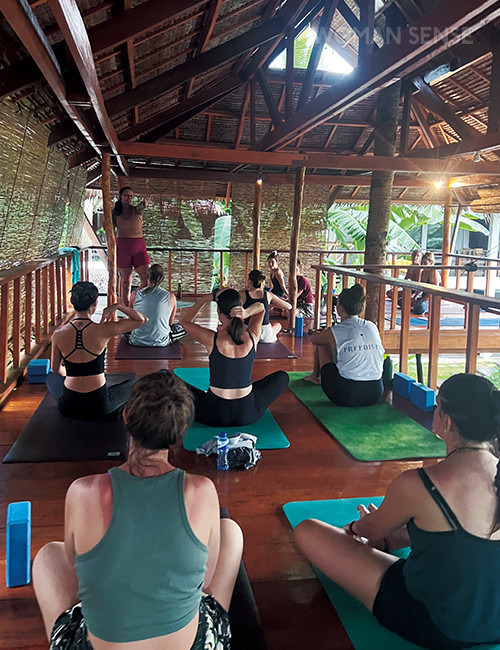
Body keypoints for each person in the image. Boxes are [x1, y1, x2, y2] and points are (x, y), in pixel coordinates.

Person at [33, 370, 243, 649]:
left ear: (126, 418)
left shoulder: (82, 492)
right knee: (231, 532)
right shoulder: (202, 491)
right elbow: (204, 582)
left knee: (48, 556)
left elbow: (78, 572)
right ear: (180, 433)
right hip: (193, 643)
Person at [294, 373, 500, 649]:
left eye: (437, 407)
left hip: (437, 624)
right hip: (495, 623)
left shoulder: (420, 483)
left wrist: (362, 526)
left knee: (308, 531)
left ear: (446, 422)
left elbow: (368, 531)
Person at [179, 289, 289, 427]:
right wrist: (246, 313)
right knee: (282, 377)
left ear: (218, 312)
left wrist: (205, 299)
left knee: (169, 378)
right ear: (239, 309)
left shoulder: (211, 339)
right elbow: (262, 307)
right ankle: (245, 390)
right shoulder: (252, 337)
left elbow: (184, 321)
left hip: (213, 414)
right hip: (247, 413)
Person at [46, 281, 146, 420]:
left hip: (69, 405)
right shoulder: (104, 329)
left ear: (73, 302)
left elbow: (55, 369)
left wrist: (71, 376)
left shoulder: (58, 334)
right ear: (95, 303)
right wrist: (118, 306)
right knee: (134, 383)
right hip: (99, 405)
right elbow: (141, 320)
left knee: (51, 378)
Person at [304, 283, 384, 407]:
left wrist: (321, 333)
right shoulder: (372, 326)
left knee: (322, 344)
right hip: (376, 392)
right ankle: (316, 376)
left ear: (341, 309)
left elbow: (315, 340)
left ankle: (314, 376)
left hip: (346, 395)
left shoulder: (335, 330)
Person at [127, 263, 183, 347]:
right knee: (182, 329)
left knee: (124, 329)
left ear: (147, 277)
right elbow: (170, 323)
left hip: (137, 341)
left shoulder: (134, 295)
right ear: (163, 279)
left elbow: (131, 320)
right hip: (161, 342)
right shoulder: (171, 297)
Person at [112, 186, 150, 305]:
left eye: (131, 196)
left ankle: (136, 300)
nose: (129, 198)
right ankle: (126, 306)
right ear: (121, 197)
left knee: (146, 278)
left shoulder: (137, 210)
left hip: (139, 246)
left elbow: (144, 203)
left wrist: (146, 201)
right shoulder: (115, 213)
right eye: (127, 195)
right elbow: (109, 229)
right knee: (126, 281)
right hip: (123, 247)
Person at [240, 269, 292, 343]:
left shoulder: (242, 294)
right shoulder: (268, 295)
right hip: (265, 336)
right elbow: (289, 306)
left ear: (250, 281)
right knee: (278, 325)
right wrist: (272, 303)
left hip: (247, 333)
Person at [411, 251, 441, 315]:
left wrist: (421, 300)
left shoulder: (434, 272)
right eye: (422, 263)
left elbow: (434, 292)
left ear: (431, 262)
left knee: (419, 308)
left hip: (431, 299)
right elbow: (420, 287)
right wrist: (414, 298)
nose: (423, 265)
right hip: (423, 296)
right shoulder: (424, 272)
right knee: (402, 301)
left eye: (425, 263)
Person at [295, 260, 314, 333]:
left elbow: (295, 296)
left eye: (296, 270)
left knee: (289, 313)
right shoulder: (294, 280)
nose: (294, 272)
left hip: (306, 306)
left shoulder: (303, 281)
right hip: (299, 304)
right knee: (283, 312)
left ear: (300, 270)